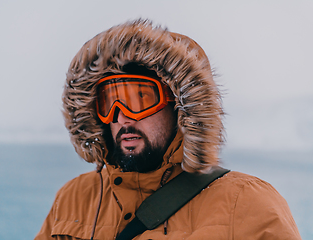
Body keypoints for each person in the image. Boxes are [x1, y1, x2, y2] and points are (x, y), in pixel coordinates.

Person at [35, 19, 301, 240]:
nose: (122, 117)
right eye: (109, 102)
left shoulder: (246, 203)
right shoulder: (74, 198)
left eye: (140, 98)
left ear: (179, 108)